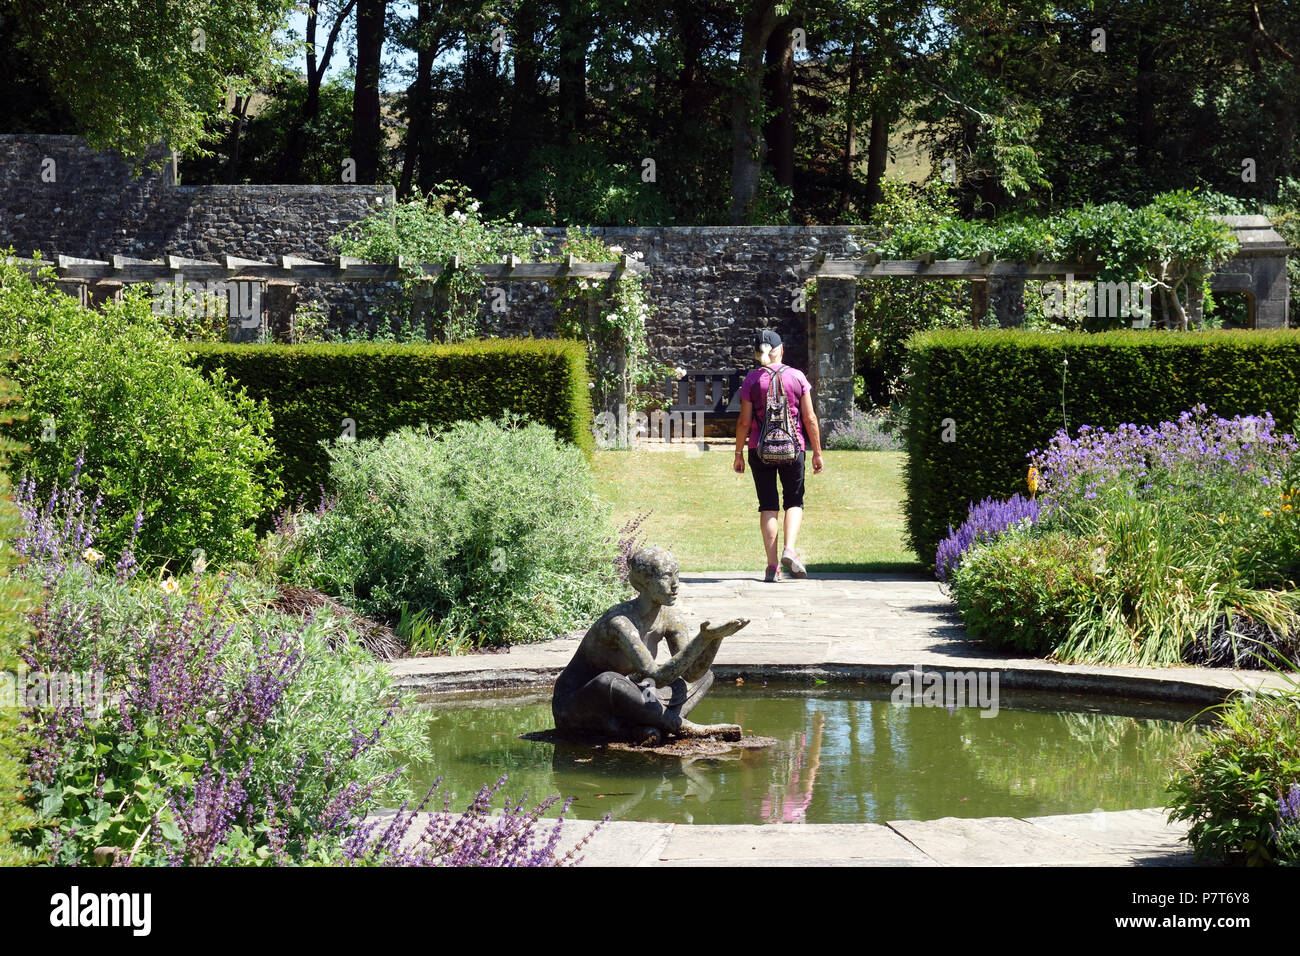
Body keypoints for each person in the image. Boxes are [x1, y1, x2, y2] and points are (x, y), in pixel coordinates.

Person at [551, 546, 748, 745]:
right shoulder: (619, 623)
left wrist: (714, 639)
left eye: (677, 576)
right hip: (579, 707)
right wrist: (702, 639)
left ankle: (651, 725)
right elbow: (657, 676)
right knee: (609, 681)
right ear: (643, 582)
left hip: (628, 701)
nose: (675, 585)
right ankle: (679, 725)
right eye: (665, 577)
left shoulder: (671, 619)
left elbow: (691, 674)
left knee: (705, 676)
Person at [732, 330, 824, 582]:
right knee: (794, 501)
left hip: (759, 449)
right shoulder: (797, 377)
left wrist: (738, 453)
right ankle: (789, 550)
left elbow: (743, 422)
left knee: (768, 505)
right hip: (793, 449)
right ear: (780, 350)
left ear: (757, 353)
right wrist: (816, 451)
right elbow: (809, 418)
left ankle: (772, 566)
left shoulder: (752, 380)